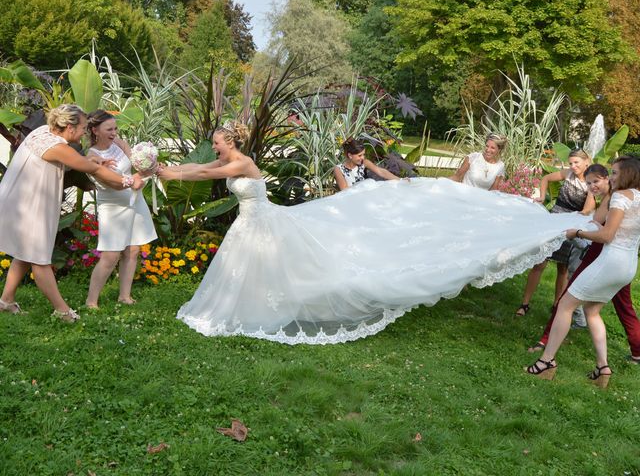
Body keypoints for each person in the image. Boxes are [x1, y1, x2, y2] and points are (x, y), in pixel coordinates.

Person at [156, 120, 591, 345]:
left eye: (217, 142)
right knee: (252, 264)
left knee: (273, 261)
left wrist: (176, 172)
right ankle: (245, 303)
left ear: (229, 143)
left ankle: (257, 305)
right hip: (251, 222)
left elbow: (207, 171)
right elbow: (202, 168)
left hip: (259, 218)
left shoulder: (242, 162)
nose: (214, 147)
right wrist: (165, 169)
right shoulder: (225, 160)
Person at [0, 104, 144, 321]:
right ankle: (62, 310)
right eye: (84, 127)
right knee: (38, 259)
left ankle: (6, 301)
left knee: (25, 253)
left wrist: (92, 160)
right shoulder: (59, 148)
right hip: (30, 206)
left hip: (23, 200)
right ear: (69, 127)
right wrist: (128, 180)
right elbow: (92, 169)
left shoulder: (43, 132)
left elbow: (84, 163)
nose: (85, 132)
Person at [525, 156, 640, 387]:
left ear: (627, 173)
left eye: (615, 173)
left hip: (610, 261)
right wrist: (588, 224)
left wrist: (577, 233)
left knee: (565, 305)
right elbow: (608, 226)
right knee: (592, 311)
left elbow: (607, 236)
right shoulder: (638, 197)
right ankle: (602, 368)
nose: (612, 177)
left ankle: (546, 362)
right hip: (628, 265)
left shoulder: (619, 196)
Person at [84, 110, 157, 308]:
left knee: (133, 250)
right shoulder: (92, 156)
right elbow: (114, 184)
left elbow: (136, 163)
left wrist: (151, 165)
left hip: (134, 201)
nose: (114, 132)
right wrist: (133, 181)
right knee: (111, 255)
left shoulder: (119, 143)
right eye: (109, 129)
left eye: (115, 128)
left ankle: (124, 295)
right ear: (94, 130)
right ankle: (91, 301)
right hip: (113, 206)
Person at [515, 149, 595, 316]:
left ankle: (557, 305)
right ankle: (525, 303)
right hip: (553, 221)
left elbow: (588, 209)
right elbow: (546, 178)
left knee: (563, 269)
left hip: (569, 227)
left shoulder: (590, 183)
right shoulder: (567, 174)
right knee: (539, 263)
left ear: (586, 162)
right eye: (570, 163)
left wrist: (582, 212)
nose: (572, 166)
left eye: (576, 163)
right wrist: (542, 196)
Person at [334, 138, 401, 190]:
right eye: (359, 155)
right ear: (350, 155)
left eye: (363, 154)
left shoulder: (364, 163)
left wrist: (399, 180)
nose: (363, 157)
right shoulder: (338, 169)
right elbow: (344, 190)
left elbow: (381, 172)